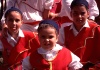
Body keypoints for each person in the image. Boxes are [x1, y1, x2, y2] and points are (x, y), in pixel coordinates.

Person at [58, 0, 100, 65]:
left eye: (82, 13)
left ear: (88, 14)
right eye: (75, 13)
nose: (79, 17)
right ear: (70, 14)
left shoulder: (96, 29)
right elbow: (59, 51)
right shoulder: (64, 31)